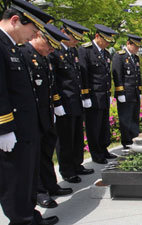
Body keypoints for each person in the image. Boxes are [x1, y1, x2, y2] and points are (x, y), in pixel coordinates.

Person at [0, 1, 60, 224]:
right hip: (12, 130)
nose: (32, 36)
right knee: (15, 180)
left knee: (27, 176)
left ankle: (30, 216)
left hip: (26, 128)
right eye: (32, 31)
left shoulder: (11, 45)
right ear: (16, 21)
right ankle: (21, 220)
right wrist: (3, 128)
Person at [19, 23, 73, 209]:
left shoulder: (44, 57)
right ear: (39, 37)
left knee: (46, 153)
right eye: (49, 45)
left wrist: (56, 105)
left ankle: (51, 185)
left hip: (46, 114)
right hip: (32, 117)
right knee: (35, 158)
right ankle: (40, 192)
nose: (51, 50)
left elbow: (51, 84)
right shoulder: (24, 54)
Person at [49, 19, 94, 183]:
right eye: (73, 36)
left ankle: (77, 164)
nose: (76, 40)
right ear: (63, 33)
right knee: (65, 138)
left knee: (76, 137)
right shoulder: (54, 52)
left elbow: (77, 77)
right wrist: (57, 102)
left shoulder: (73, 52)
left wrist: (83, 96)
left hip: (75, 101)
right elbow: (53, 80)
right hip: (64, 103)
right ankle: (67, 170)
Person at [78, 24, 118, 164]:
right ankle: (96, 153)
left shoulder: (106, 53)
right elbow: (84, 74)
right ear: (97, 36)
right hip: (93, 96)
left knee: (103, 126)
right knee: (93, 126)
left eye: (109, 41)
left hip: (104, 95)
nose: (107, 43)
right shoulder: (85, 50)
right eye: (105, 40)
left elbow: (107, 75)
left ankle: (104, 149)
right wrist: (85, 95)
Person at [112, 34, 142, 149]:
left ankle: (134, 138)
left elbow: (138, 76)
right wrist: (120, 92)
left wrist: (139, 91)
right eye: (135, 46)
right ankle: (127, 142)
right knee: (126, 119)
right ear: (128, 44)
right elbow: (117, 75)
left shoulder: (135, 58)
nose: (137, 49)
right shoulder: (119, 56)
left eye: (138, 47)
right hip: (125, 93)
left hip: (134, 93)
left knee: (134, 118)